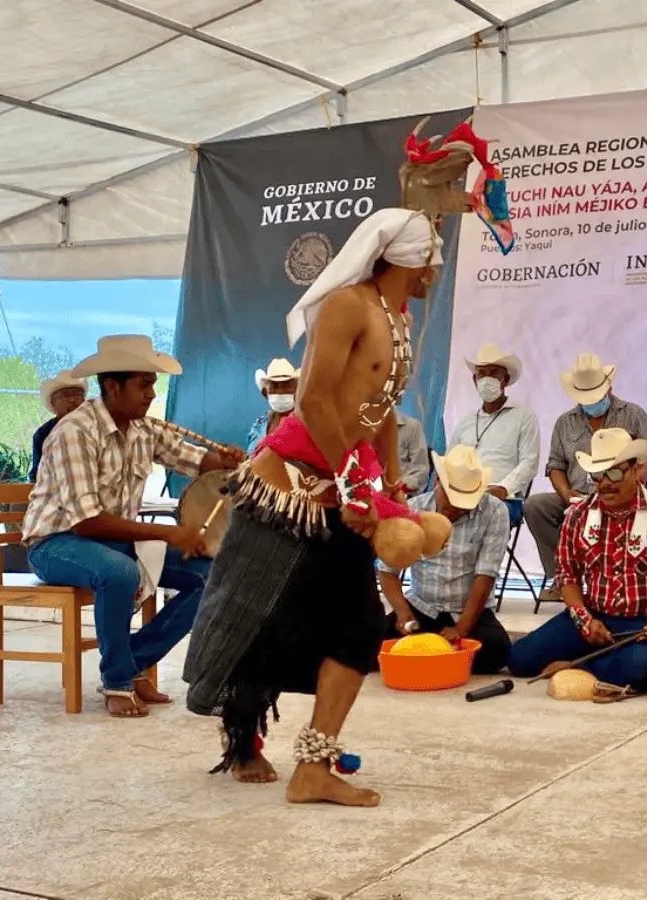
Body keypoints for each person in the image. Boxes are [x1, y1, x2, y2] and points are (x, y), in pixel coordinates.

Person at [183, 207, 443, 806]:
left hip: (345, 489)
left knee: (355, 625)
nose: (437, 264)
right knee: (262, 613)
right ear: (407, 257)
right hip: (288, 492)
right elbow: (313, 398)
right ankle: (244, 739)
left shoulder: (397, 316)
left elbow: (377, 409)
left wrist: (390, 481)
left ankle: (313, 766)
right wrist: (354, 484)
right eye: (433, 252)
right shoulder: (349, 305)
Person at [24, 335, 243, 718]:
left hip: (107, 542)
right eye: (144, 384)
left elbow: (194, 460)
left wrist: (224, 458)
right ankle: (118, 681)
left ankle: (132, 662)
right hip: (55, 544)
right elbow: (88, 522)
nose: (151, 394)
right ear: (113, 386)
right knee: (119, 572)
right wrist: (168, 532)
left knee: (212, 573)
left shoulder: (144, 429)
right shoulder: (74, 431)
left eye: (153, 385)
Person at [509, 428, 647, 699]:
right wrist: (584, 620)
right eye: (597, 476)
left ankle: (579, 666)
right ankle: (596, 661)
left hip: (643, 624)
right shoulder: (578, 513)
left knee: (636, 670)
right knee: (519, 660)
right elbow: (567, 575)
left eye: (614, 472)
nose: (604, 484)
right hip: (592, 616)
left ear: (636, 470)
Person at [525, 353, 647, 602]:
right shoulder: (564, 423)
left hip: (624, 494)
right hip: (578, 496)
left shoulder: (633, 414)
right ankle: (563, 577)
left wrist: (631, 483)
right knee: (535, 506)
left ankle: (618, 580)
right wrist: (566, 494)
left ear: (609, 386)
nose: (592, 401)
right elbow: (555, 466)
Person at [379, 446, 512, 673]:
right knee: (365, 644)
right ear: (438, 482)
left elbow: (486, 575)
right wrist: (403, 613)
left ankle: (427, 656)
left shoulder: (495, 512)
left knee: (497, 651)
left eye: (463, 502)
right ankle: (440, 656)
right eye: (451, 499)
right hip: (422, 606)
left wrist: (462, 628)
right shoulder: (414, 509)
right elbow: (387, 570)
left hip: (468, 611)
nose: (456, 508)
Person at [448, 342, 540, 526]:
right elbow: (449, 462)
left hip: (504, 499)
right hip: (462, 495)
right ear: (474, 380)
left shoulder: (524, 417)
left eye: (493, 373)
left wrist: (503, 488)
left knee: (484, 514)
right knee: (422, 510)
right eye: (482, 374)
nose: (486, 379)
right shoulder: (466, 421)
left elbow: (529, 463)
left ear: (504, 380)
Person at [30, 370, 87, 482]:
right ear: (53, 404)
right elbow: (37, 476)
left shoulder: (97, 428)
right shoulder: (43, 434)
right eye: (65, 395)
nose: (73, 400)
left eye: (77, 395)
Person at [246, 358, 299, 456]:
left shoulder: (304, 424)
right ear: (265, 393)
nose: (280, 391)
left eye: (286, 385)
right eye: (274, 386)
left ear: (297, 391)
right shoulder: (259, 425)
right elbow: (249, 459)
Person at [396, 408, 430, 495]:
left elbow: (420, 470)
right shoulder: (365, 428)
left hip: (400, 494)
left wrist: (400, 487)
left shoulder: (412, 427)